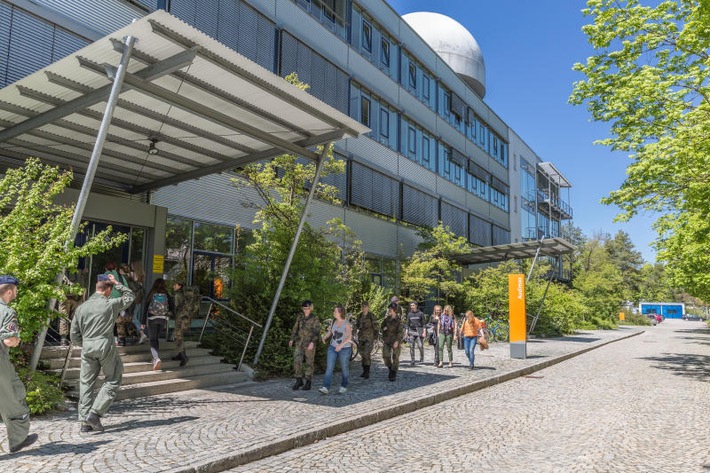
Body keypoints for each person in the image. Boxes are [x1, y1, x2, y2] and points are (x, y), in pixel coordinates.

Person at [71, 273, 134, 433]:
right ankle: (94, 414)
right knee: (113, 378)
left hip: (87, 347)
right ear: (108, 290)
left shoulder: (81, 308)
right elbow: (130, 296)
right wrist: (117, 282)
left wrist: (85, 344)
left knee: (86, 383)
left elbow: (73, 335)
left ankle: (85, 422)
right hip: (105, 345)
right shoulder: (110, 304)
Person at [0, 275, 38, 453]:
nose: (16, 293)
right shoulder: (7, 312)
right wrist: (16, 339)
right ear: (9, 291)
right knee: (14, 395)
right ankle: (17, 439)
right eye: (15, 290)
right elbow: (9, 341)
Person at [319, 305, 352, 394]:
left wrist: (341, 345)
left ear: (340, 313)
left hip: (344, 349)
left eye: (335, 311)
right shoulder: (333, 321)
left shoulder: (346, 323)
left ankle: (344, 386)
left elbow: (349, 337)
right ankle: (325, 387)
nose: (334, 313)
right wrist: (324, 337)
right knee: (329, 367)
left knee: (344, 368)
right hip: (332, 347)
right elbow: (330, 332)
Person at [142, 278, 174, 371]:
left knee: (153, 340)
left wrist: (143, 322)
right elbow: (172, 307)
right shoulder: (166, 294)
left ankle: (156, 358)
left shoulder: (152, 293)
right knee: (157, 339)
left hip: (152, 319)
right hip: (163, 319)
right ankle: (154, 358)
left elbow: (145, 308)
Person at [289, 300, 321, 391]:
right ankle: (298, 380)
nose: (305, 310)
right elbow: (295, 328)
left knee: (309, 363)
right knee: (297, 361)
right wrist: (292, 339)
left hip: (309, 344)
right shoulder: (300, 317)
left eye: (307, 308)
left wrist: (313, 342)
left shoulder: (315, 318)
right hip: (299, 342)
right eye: (304, 308)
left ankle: (308, 382)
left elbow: (316, 332)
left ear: (311, 308)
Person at [381, 302, 404, 381]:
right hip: (387, 340)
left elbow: (400, 332)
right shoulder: (387, 319)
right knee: (385, 356)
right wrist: (384, 328)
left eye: (390, 309)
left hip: (395, 341)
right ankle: (390, 368)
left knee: (395, 357)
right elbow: (382, 326)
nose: (389, 311)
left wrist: (397, 341)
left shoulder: (399, 320)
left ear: (394, 310)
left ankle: (393, 373)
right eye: (389, 309)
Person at [355, 301, 377, 379]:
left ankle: (367, 371)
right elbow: (356, 325)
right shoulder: (359, 316)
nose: (364, 308)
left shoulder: (371, 316)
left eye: (365, 306)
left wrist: (376, 338)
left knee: (366, 354)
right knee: (362, 354)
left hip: (369, 338)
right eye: (363, 306)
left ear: (368, 307)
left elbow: (375, 327)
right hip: (361, 338)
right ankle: (364, 370)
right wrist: (352, 333)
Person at [171, 280, 190, 366]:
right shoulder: (184, 295)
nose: (173, 286)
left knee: (177, 337)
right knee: (180, 336)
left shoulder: (178, 295)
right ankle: (180, 355)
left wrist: (169, 313)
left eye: (175, 285)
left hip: (180, 318)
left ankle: (183, 356)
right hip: (186, 318)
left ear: (179, 286)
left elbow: (175, 307)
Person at [405, 301, 426, 365]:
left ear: (416, 306)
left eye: (413, 305)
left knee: (420, 346)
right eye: (411, 305)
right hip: (411, 332)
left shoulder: (421, 313)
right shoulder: (409, 314)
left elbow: (424, 324)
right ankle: (412, 360)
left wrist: (424, 332)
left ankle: (421, 358)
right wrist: (406, 332)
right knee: (411, 346)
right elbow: (407, 324)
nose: (412, 307)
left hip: (419, 332)